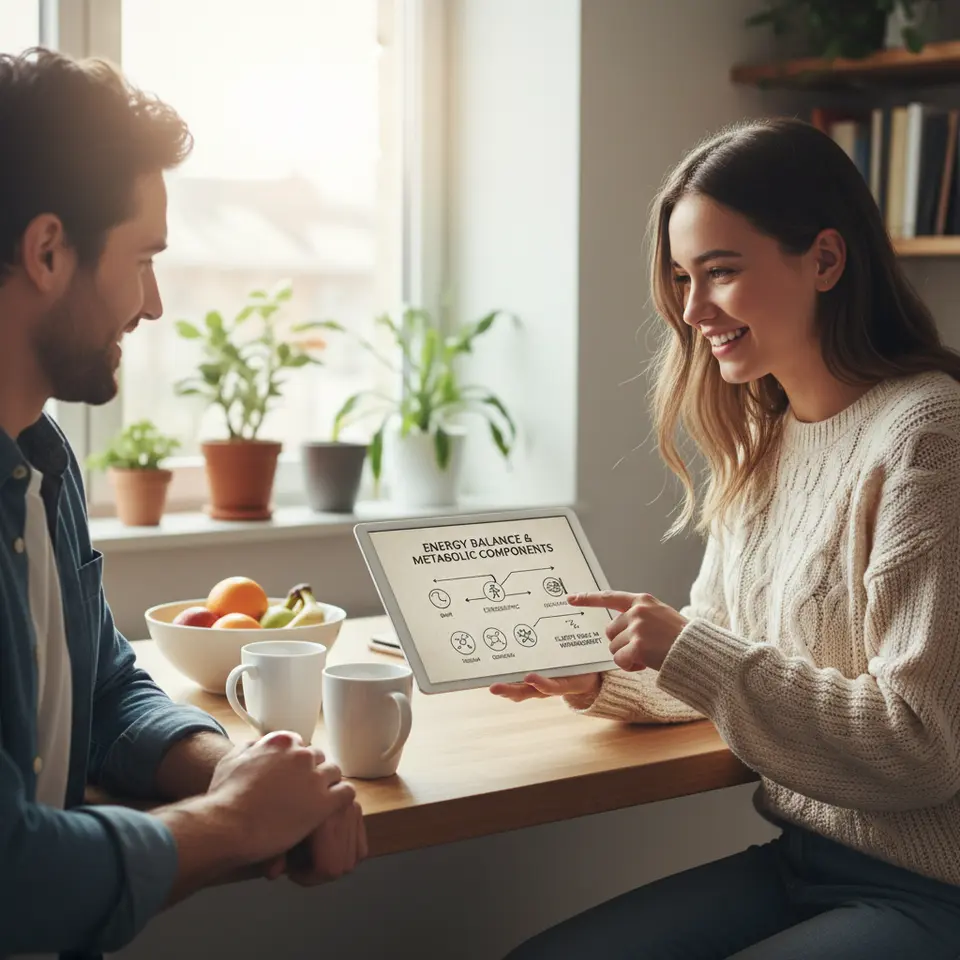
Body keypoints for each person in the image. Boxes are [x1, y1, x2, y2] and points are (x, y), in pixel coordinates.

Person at [493, 116, 960, 959]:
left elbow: (921, 748)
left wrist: (687, 647)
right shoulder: (763, 438)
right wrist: (599, 677)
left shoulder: (927, 434)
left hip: (933, 888)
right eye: (681, 278)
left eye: (721, 272)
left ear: (825, 260)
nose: (691, 310)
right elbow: (722, 661)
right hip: (802, 860)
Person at [0, 48, 366, 960]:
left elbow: (103, 687)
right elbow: (12, 870)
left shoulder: (42, 462)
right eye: (143, 260)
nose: (154, 305)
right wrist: (237, 821)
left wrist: (232, 766)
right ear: (48, 251)